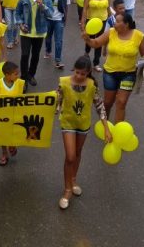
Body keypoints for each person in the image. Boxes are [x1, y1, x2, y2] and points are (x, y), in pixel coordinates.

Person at [56, 55, 112, 210]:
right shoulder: (64, 82)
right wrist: (52, 111)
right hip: (68, 123)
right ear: (74, 69)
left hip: (83, 124)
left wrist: (106, 128)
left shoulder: (92, 85)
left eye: (83, 74)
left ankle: (73, 180)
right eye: (77, 72)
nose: (80, 76)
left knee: (78, 153)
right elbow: (57, 101)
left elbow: (100, 106)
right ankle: (67, 190)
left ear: (88, 73)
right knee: (70, 156)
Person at [83, 13, 144, 122]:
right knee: (108, 103)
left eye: (117, 22)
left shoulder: (139, 36)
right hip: (110, 73)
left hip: (128, 74)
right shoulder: (111, 32)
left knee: (121, 102)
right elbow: (96, 43)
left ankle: (118, 129)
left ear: (126, 24)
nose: (114, 23)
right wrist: (87, 39)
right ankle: (105, 126)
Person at [15, 0, 53, 87]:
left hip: (39, 32)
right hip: (26, 32)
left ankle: (31, 75)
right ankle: (23, 79)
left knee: (35, 55)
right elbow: (17, 13)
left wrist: (42, 5)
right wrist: (21, 25)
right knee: (25, 55)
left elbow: (50, 14)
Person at [0, 61, 26, 166]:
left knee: (13, 132)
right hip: (2, 116)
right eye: (15, 74)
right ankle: (4, 153)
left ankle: (12, 144)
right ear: (7, 75)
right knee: (2, 135)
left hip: (15, 114)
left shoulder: (20, 83)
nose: (18, 75)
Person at [81, 0, 110, 71]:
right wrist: (83, 23)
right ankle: (86, 54)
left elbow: (108, 9)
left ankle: (96, 63)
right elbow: (85, 9)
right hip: (91, 21)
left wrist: (112, 20)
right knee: (89, 39)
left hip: (103, 21)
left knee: (99, 42)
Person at [44, 0, 69, 69]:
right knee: (48, 37)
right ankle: (48, 51)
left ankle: (58, 60)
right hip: (48, 18)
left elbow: (66, 6)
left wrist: (65, 19)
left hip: (59, 20)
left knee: (58, 41)